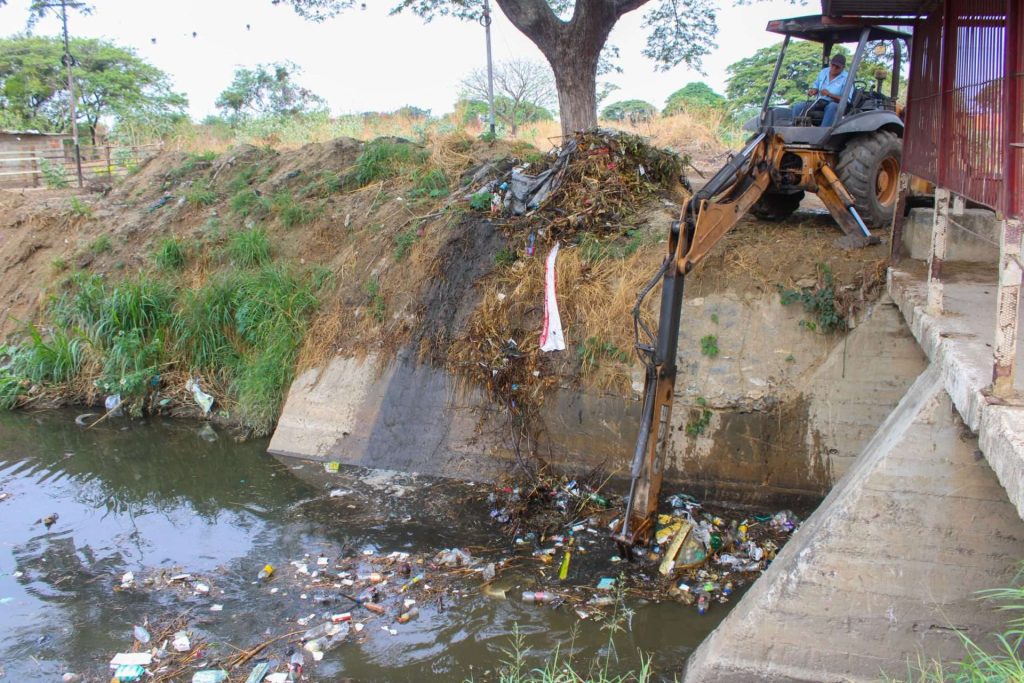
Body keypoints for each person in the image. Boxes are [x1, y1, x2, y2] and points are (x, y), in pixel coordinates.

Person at [793, 53, 850, 127]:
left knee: (832, 106)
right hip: (820, 101)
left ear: (843, 67)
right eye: (833, 65)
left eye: (837, 67)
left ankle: (824, 131)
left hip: (835, 104)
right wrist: (814, 90)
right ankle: (798, 129)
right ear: (830, 63)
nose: (834, 68)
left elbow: (846, 100)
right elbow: (816, 86)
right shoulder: (824, 72)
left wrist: (829, 94)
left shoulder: (847, 78)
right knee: (798, 106)